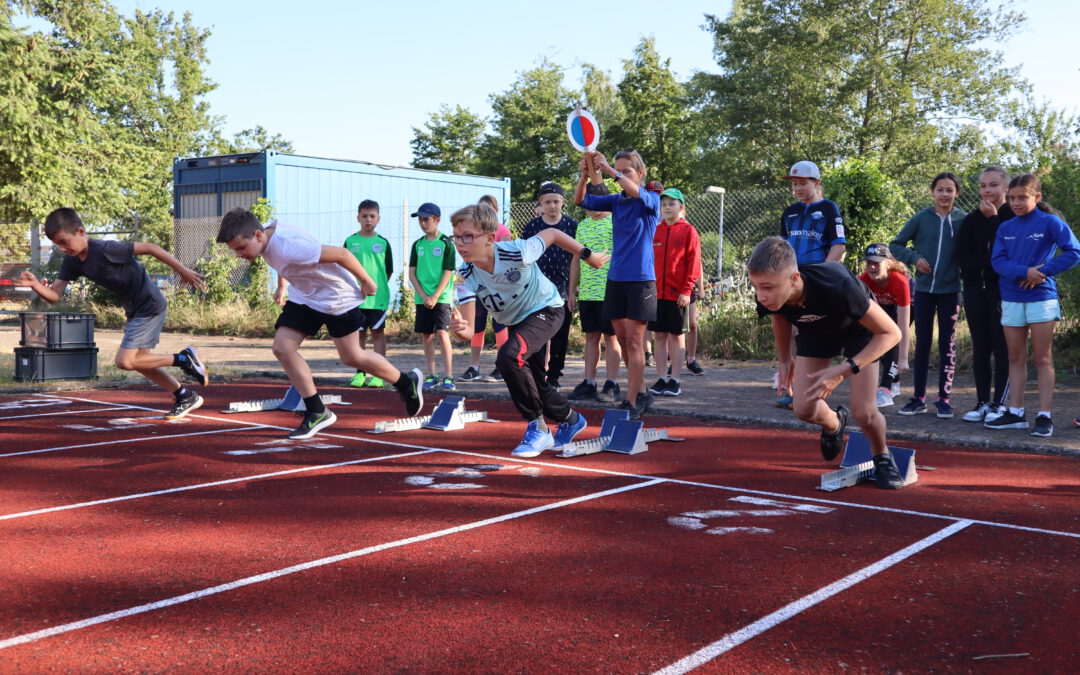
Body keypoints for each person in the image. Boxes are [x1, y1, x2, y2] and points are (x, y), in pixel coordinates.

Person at [216, 208, 423, 439]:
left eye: (241, 248)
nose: (239, 255)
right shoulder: (262, 234)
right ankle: (316, 410)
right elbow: (280, 260)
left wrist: (366, 281)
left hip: (336, 298)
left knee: (352, 357)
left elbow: (342, 254)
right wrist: (282, 286)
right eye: (235, 250)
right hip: (304, 297)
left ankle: (406, 383)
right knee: (282, 348)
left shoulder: (292, 246)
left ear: (257, 235)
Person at [448, 204, 607, 457]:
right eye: (456, 237)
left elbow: (552, 234)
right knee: (534, 383)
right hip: (518, 322)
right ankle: (572, 419)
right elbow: (469, 332)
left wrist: (588, 255)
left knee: (509, 357)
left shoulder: (517, 251)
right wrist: (459, 329)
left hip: (547, 308)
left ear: (490, 238)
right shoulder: (465, 275)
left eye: (468, 236)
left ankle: (539, 427)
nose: (460, 243)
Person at [20, 207, 209, 419]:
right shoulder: (72, 261)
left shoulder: (105, 248)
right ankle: (185, 395)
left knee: (125, 361)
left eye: (64, 242)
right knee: (143, 361)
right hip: (135, 310)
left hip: (149, 304)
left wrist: (183, 271)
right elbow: (54, 295)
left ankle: (184, 358)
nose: (62, 248)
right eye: (57, 244)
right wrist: (35, 284)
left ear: (81, 231)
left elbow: (151, 248)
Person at [748, 236, 904, 489]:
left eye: (766, 287)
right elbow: (779, 318)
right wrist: (785, 360)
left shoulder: (837, 283)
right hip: (816, 331)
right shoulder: (769, 290)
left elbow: (892, 334)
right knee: (803, 409)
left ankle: (882, 455)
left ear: (794, 279)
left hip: (859, 330)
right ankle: (834, 423)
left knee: (864, 412)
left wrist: (845, 370)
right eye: (755, 286)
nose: (761, 295)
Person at [985, 173, 1080, 437]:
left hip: (1041, 298)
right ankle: (1015, 413)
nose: (1015, 203)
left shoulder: (1050, 222)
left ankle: (1044, 416)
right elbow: (998, 261)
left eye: (1022, 198)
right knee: (1015, 357)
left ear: (1037, 197)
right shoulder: (1005, 227)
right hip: (1011, 297)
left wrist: (1042, 272)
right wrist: (1024, 272)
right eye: (1012, 198)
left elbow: (1074, 252)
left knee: (1042, 357)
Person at [574, 149, 661, 420]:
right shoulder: (615, 201)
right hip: (615, 279)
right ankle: (642, 390)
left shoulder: (651, 200)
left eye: (627, 171)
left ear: (641, 173)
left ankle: (631, 401)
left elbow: (634, 191)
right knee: (622, 340)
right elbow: (580, 200)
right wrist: (585, 175)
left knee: (634, 342)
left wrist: (610, 171)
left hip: (641, 281)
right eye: (619, 170)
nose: (621, 175)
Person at [890, 172, 967, 418]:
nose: (944, 194)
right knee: (922, 343)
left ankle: (944, 399)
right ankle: (919, 398)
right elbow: (896, 245)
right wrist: (915, 258)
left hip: (951, 291)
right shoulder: (921, 218)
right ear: (933, 192)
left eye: (949, 190)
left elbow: (974, 248)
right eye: (940, 190)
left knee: (948, 344)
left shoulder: (963, 219)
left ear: (957, 193)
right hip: (923, 291)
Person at [776, 160, 847, 408]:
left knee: (809, 332)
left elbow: (839, 245)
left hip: (815, 279)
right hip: (791, 279)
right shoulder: (789, 212)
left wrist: (823, 275)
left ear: (816, 182)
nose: (797, 188)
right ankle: (789, 387)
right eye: (794, 184)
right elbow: (782, 248)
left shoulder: (829, 209)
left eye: (802, 183)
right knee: (789, 330)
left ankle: (809, 391)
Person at [956, 166, 1013, 423]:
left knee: (1002, 348)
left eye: (993, 185)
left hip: (1002, 291)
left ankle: (1000, 404)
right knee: (981, 347)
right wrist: (987, 262)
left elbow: (1005, 252)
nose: (987, 190)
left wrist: (993, 220)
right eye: (983, 186)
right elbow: (962, 257)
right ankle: (982, 402)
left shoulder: (1012, 216)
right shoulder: (971, 219)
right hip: (973, 290)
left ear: (1006, 187)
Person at [567, 183, 622, 403]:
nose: (587, 206)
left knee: (611, 337)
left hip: (611, 290)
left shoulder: (617, 222)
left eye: (592, 202)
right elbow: (575, 259)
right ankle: (589, 382)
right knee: (591, 336)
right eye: (585, 202)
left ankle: (612, 383)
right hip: (588, 292)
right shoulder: (582, 225)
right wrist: (572, 291)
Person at [520, 183, 577, 391]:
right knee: (538, 335)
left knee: (560, 336)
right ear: (541, 203)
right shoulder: (532, 227)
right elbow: (523, 256)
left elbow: (577, 258)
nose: (552, 206)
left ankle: (554, 377)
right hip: (536, 289)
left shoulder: (572, 226)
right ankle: (538, 376)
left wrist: (573, 289)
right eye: (548, 202)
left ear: (563, 202)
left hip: (562, 288)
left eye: (556, 201)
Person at [646, 188, 701, 397]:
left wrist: (686, 291)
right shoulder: (655, 230)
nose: (667, 208)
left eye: (672, 204)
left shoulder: (689, 231)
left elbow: (694, 264)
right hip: (656, 294)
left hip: (678, 295)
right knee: (659, 336)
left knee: (677, 336)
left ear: (681, 207)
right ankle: (662, 378)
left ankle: (675, 380)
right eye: (664, 204)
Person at [459, 194, 511, 383]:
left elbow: (505, 257)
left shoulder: (503, 231)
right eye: (480, 209)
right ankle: (474, 367)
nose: (484, 212)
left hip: (497, 286)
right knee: (477, 324)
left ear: (495, 211)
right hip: (478, 285)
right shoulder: (472, 232)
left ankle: (502, 367)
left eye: (488, 209)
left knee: (499, 325)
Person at [343, 199, 392, 389]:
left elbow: (388, 271)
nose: (368, 220)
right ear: (358, 218)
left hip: (377, 299)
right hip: (355, 299)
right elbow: (343, 268)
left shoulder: (383, 243)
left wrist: (374, 287)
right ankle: (360, 374)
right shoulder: (350, 241)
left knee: (378, 334)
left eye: (372, 216)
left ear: (378, 219)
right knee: (359, 335)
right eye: (364, 216)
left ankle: (379, 375)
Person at [408, 202, 456, 392]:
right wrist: (423, 295)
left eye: (426, 219)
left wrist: (435, 296)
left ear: (437, 220)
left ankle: (449, 376)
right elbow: (412, 273)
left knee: (442, 333)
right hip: (422, 298)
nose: (423, 223)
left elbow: (448, 271)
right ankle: (432, 374)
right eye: (420, 220)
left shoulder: (446, 243)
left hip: (441, 297)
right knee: (426, 336)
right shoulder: (417, 244)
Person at [858, 244, 910, 408]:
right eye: (869, 263)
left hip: (905, 307)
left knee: (892, 340)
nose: (872, 267)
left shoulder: (899, 281)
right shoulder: (863, 281)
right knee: (877, 340)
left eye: (876, 263)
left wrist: (903, 358)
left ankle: (885, 389)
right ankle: (895, 382)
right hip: (882, 308)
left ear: (888, 264)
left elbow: (903, 326)